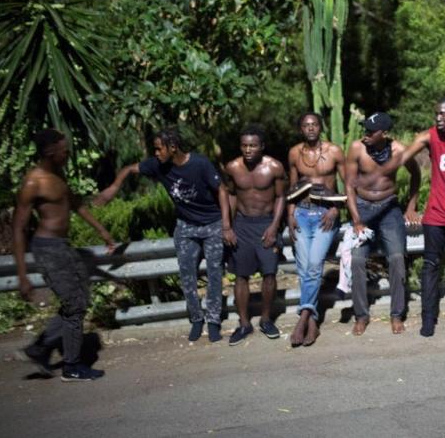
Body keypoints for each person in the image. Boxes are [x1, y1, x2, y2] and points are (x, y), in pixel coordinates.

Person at [95, 128, 233, 343]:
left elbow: (222, 190)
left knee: (214, 273)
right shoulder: (157, 165)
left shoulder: (200, 163)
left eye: (159, 149)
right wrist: (113, 188)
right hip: (186, 227)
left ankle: (214, 321)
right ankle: (197, 319)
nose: (156, 153)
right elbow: (129, 169)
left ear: (173, 147)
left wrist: (226, 226)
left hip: (212, 224)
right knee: (187, 275)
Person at [375, 96, 445, 337]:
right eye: (436, 113)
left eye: (443, 114)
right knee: (431, 264)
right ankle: (428, 319)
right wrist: (381, 164)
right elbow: (403, 157)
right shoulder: (429, 136)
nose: (438, 118)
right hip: (436, 212)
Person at [14, 129, 116, 381]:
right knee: (74, 305)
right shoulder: (33, 182)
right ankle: (72, 365)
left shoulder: (57, 174)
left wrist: (101, 230)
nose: (68, 154)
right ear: (50, 151)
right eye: (65, 150)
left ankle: (40, 348)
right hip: (47, 248)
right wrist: (22, 275)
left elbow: (75, 203)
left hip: (63, 246)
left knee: (80, 298)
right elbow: (18, 227)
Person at [344, 112, 421, 336]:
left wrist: (411, 207)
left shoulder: (399, 151)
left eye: (370, 131)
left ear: (384, 133)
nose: (365, 134)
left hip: (389, 209)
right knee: (357, 260)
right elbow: (349, 186)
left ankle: (396, 314)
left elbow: (416, 175)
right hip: (363, 208)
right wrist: (357, 220)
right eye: (364, 129)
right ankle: (361, 315)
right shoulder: (357, 149)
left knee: (397, 258)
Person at [223, 125, 287, 345]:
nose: (248, 150)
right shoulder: (232, 167)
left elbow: (281, 197)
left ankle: (266, 319)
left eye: (252, 145)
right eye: (244, 145)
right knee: (241, 276)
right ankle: (244, 324)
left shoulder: (275, 167)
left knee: (269, 273)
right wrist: (228, 226)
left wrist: (274, 227)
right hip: (242, 224)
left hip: (266, 223)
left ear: (261, 146)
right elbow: (231, 195)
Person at [286, 112, 346, 347]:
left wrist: (336, 209)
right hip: (301, 214)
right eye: (306, 125)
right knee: (304, 270)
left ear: (320, 127)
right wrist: (290, 215)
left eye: (314, 125)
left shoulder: (334, 151)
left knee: (313, 266)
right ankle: (312, 322)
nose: (310, 128)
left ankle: (302, 318)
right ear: (301, 129)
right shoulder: (294, 153)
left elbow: (347, 184)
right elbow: (292, 188)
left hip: (325, 216)